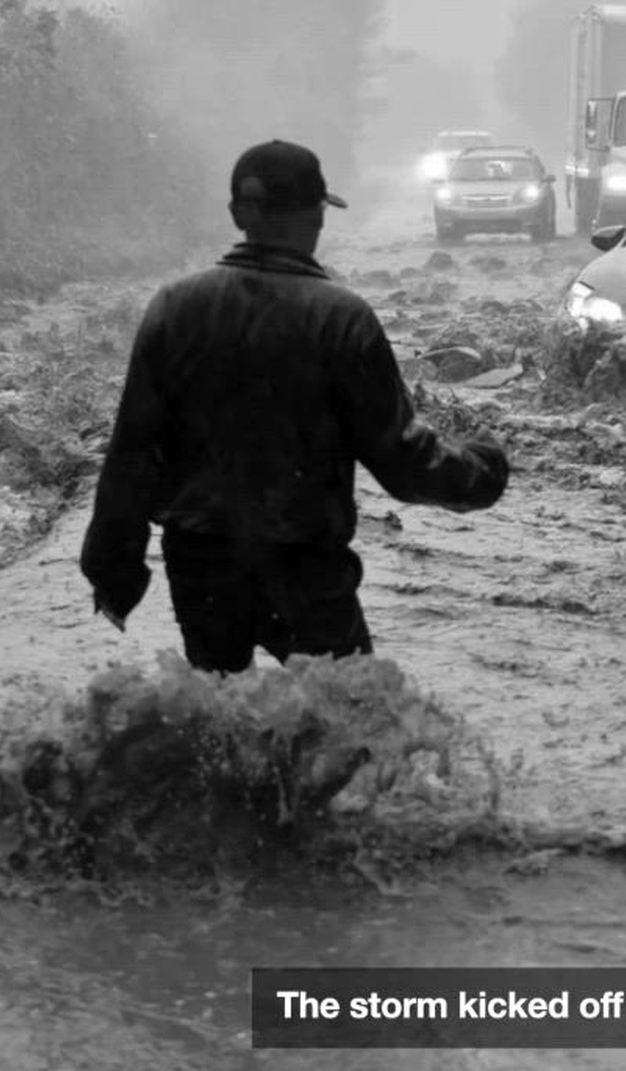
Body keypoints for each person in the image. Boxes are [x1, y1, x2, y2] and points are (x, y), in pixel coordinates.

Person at [79, 139, 509, 673]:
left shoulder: (173, 308)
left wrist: (113, 570)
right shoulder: (341, 318)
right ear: (317, 216)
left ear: (239, 215)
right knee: (345, 722)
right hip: (306, 568)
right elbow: (400, 460)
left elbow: (132, 453)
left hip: (201, 566)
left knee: (219, 719)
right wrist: (482, 469)